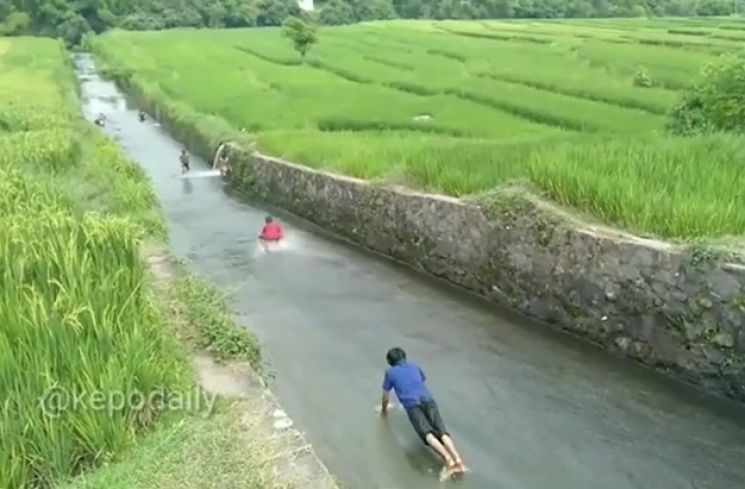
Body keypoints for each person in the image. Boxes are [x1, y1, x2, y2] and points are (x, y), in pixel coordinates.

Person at [380, 347, 466, 479]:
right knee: (442, 430)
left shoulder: (390, 373)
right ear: (404, 357)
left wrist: (384, 411)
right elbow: (421, 380)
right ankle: (458, 459)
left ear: (390, 361)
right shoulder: (415, 366)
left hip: (412, 404)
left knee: (427, 433)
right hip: (428, 399)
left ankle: (449, 461)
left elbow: (385, 397)